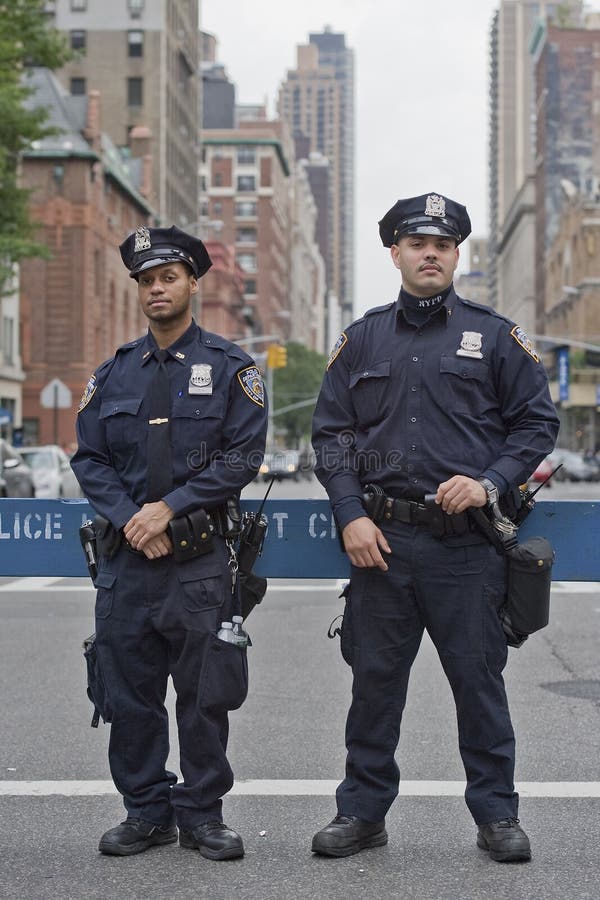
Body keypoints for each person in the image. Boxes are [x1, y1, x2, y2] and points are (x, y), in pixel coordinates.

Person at [310, 193, 559, 862]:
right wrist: (350, 515)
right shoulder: (363, 338)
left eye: (443, 245)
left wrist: (488, 482)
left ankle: (497, 817)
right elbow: (330, 433)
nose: (430, 254)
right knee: (374, 689)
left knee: (479, 688)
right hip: (381, 544)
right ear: (394, 252)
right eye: (417, 243)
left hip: (465, 548)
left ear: (456, 255)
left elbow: (538, 423)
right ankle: (361, 814)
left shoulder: (495, 335)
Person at [71, 225, 267, 859]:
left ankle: (202, 815)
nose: (157, 288)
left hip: (199, 563)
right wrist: (134, 518)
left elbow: (243, 457)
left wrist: (169, 509)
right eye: (146, 280)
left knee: (205, 696)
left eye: (168, 278)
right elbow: (90, 460)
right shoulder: (113, 375)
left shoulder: (231, 369)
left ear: (192, 284)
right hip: (127, 564)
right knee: (128, 695)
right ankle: (146, 811)